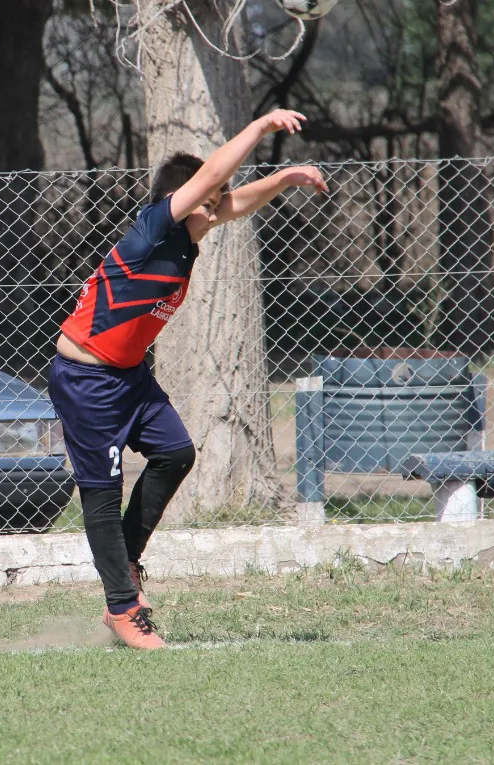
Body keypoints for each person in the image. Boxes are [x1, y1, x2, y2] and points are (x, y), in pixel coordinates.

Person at [50, 110, 328, 649]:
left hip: (128, 376)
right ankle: (122, 609)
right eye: (209, 195)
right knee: (102, 496)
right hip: (84, 378)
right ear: (182, 199)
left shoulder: (190, 235)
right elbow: (211, 180)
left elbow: (237, 202)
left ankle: (126, 563)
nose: (218, 204)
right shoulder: (153, 227)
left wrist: (288, 178)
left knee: (175, 451)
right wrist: (261, 128)